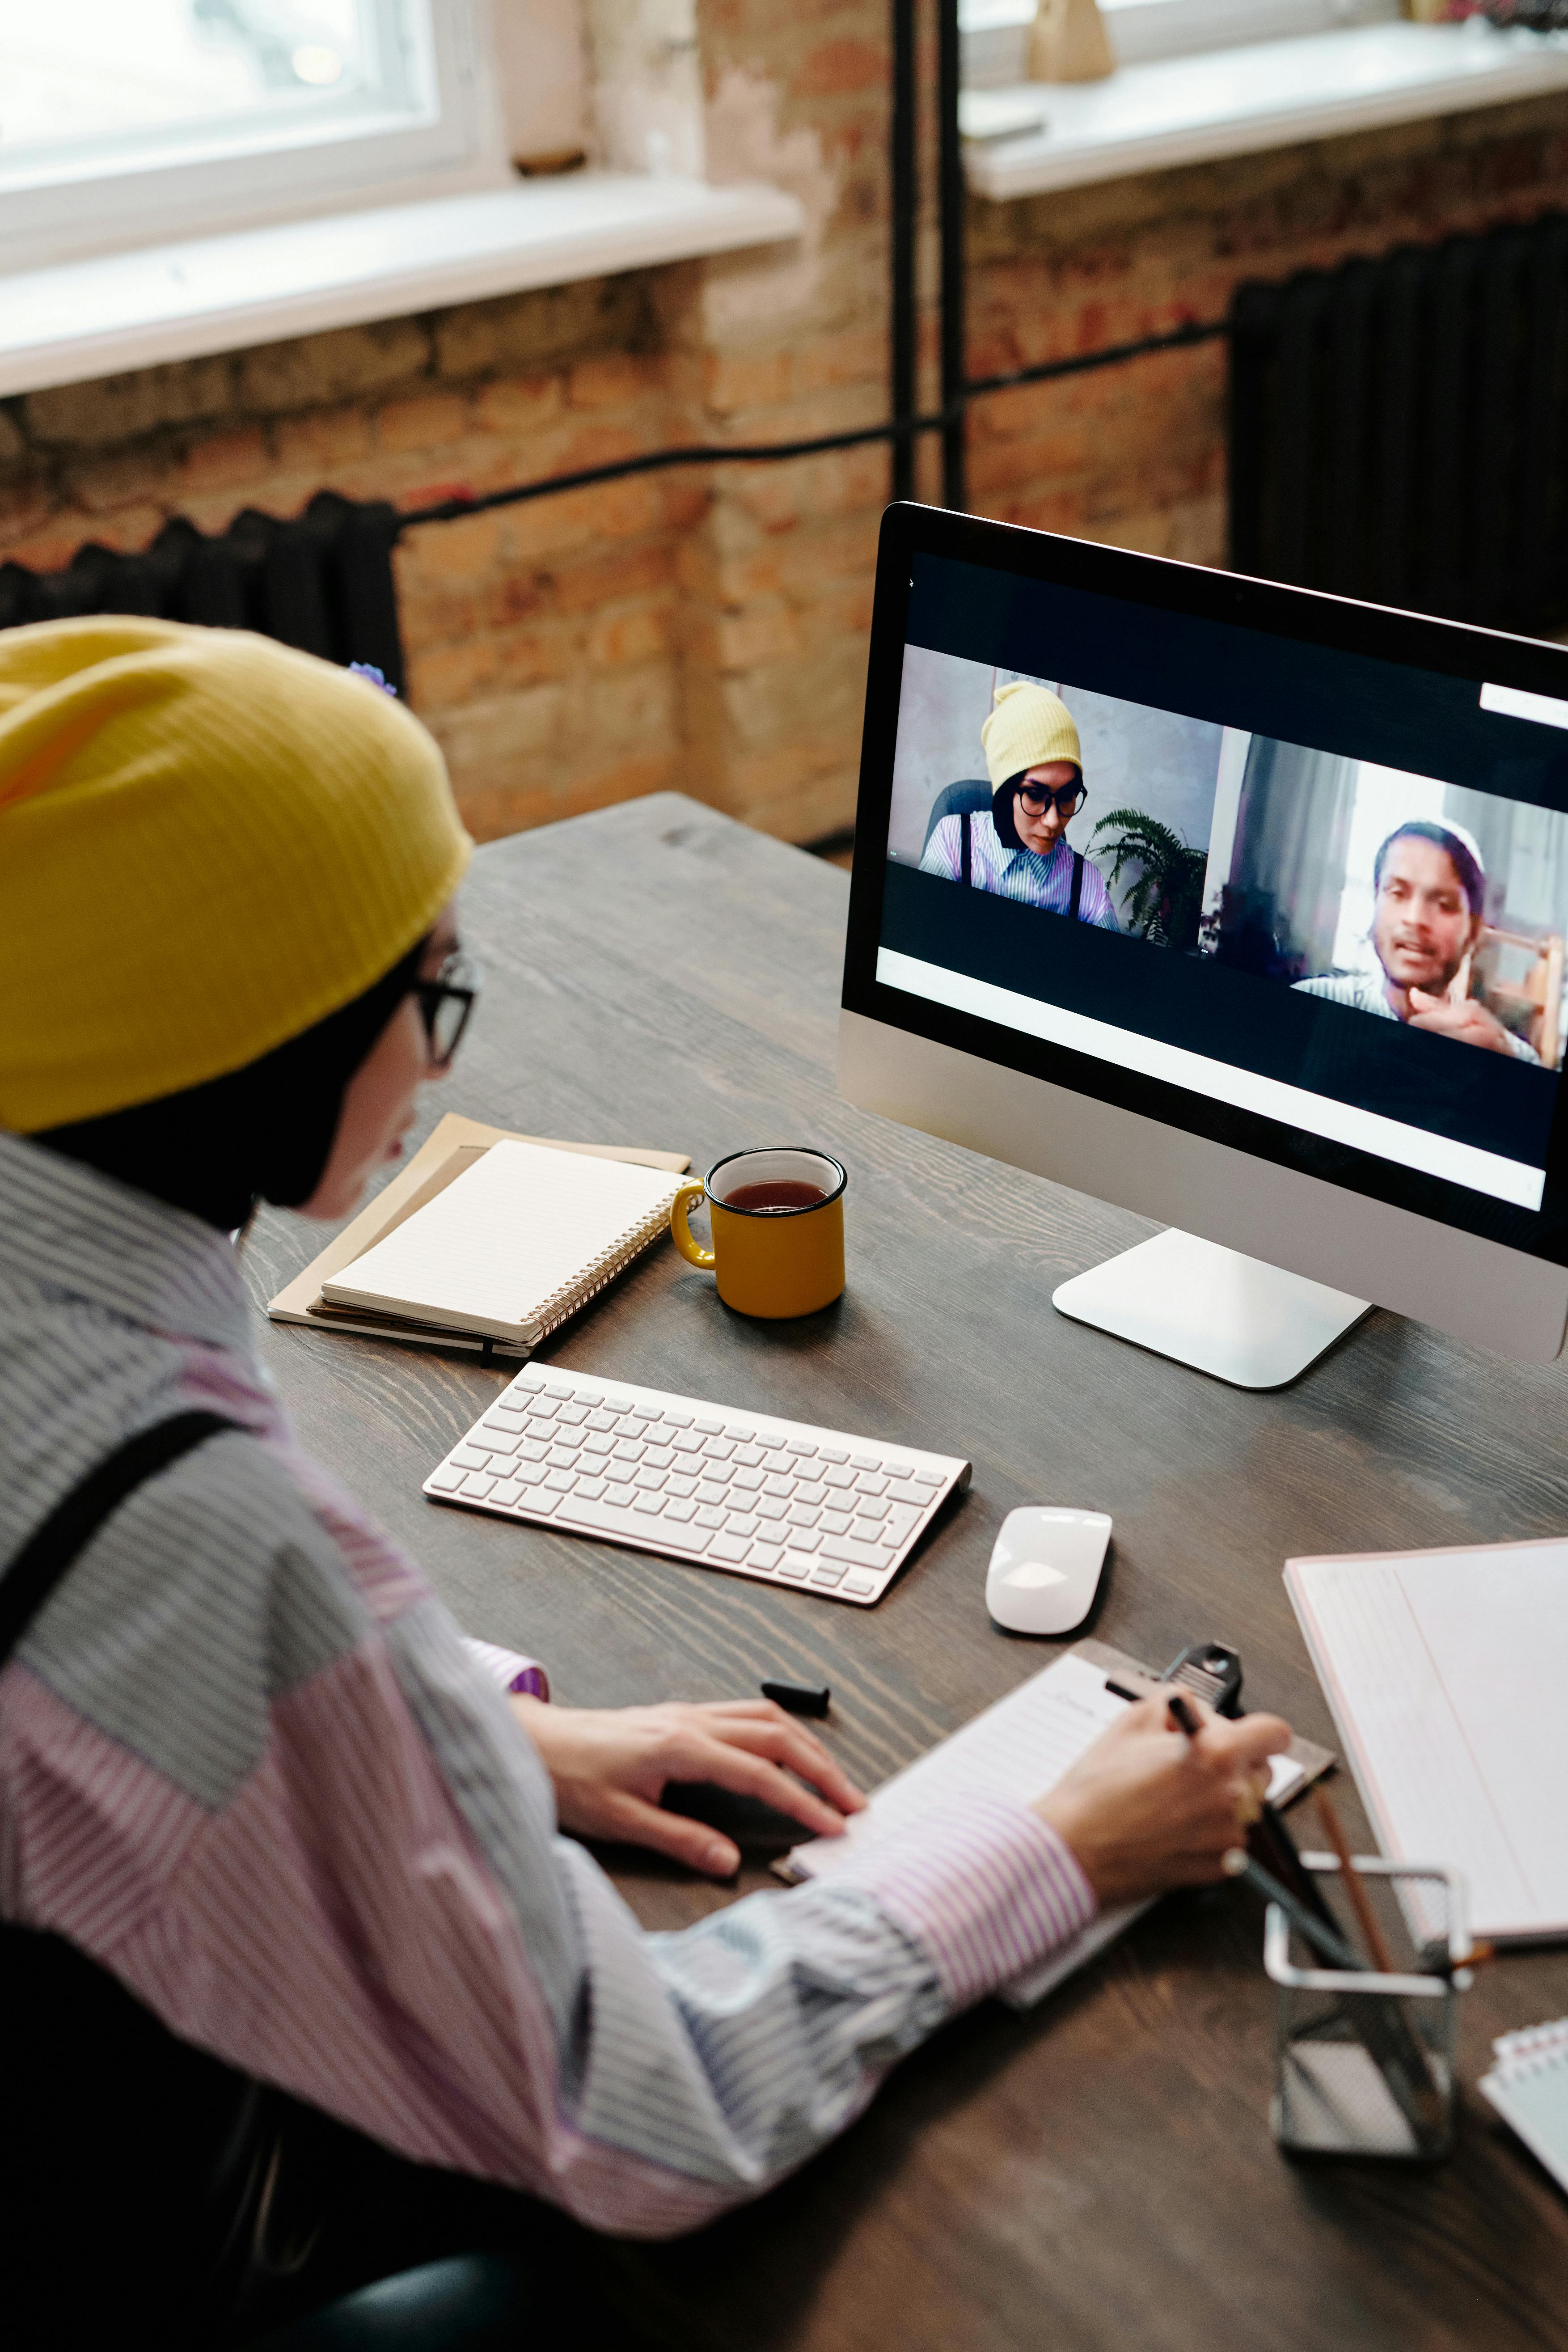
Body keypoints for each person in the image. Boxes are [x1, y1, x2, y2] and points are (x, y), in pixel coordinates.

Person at [0, 619, 1289, 2343]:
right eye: (430, 988)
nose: (447, 1056)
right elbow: (645, 2108)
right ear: (261, 1037)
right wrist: (1055, 1842)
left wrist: (466, 1735)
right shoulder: (201, 1532)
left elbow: (89, 1689)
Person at [1293, 819, 1538, 1061]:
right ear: (1375, 902)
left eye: (1444, 905)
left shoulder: (1514, 1058)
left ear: (1473, 931)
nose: (1415, 919)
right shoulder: (1310, 1005)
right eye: (1397, 893)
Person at [919, 680, 1118, 929]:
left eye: (1068, 796)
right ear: (1005, 793)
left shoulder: (1087, 885)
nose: (1054, 821)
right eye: (1035, 795)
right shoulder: (954, 842)